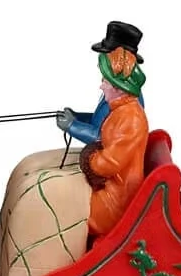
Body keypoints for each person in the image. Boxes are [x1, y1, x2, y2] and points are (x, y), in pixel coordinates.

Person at [80, 44, 149, 238]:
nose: (101, 86)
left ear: (118, 88)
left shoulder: (131, 118)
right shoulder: (120, 111)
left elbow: (108, 165)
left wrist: (88, 158)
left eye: (105, 81)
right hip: (110, 188)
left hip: (115, 201)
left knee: (67, 205)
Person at [58, 21, 145, 145]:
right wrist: (76, 117)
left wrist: (72, 126)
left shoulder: (128, 105)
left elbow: (103, 137)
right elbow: (99, 122)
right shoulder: (115, 92)